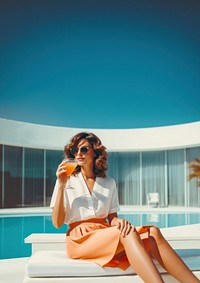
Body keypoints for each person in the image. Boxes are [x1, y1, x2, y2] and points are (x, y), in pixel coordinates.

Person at [50, 132, 199, 283]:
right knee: (127, 234)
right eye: (75, 150)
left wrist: (119, 222)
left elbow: (112, 218)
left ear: (95, 152)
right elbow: (56, 223)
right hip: (80, 239)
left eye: (84, 149)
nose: (79, 154)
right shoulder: (66, 180)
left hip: (104, 233)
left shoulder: (108, 182)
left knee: (153, 232)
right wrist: (61, 185)